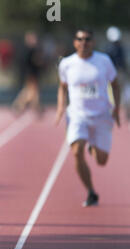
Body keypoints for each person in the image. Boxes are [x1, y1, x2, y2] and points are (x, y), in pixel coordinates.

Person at [55, 28, 121, 207]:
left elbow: (115, 84)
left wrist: (116, 108)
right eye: (80, 39)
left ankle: (94, 148)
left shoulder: (104, 61)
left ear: (93, 42)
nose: (83, 42)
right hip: (77, 115)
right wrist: (61, 107)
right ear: (75, 42)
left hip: (101, 115)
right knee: (76, 151)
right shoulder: (67, 64)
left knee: (102, 161)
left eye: (87, 39)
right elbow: (62, 87)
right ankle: (91, 192)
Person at [11, 31, 45, 116]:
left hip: (32, 74)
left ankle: (24, 106)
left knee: (31, 91)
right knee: (32, 91)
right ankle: (24, 106)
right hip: (30, 74)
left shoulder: (32, 49)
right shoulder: (28, 50)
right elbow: (34, 62)